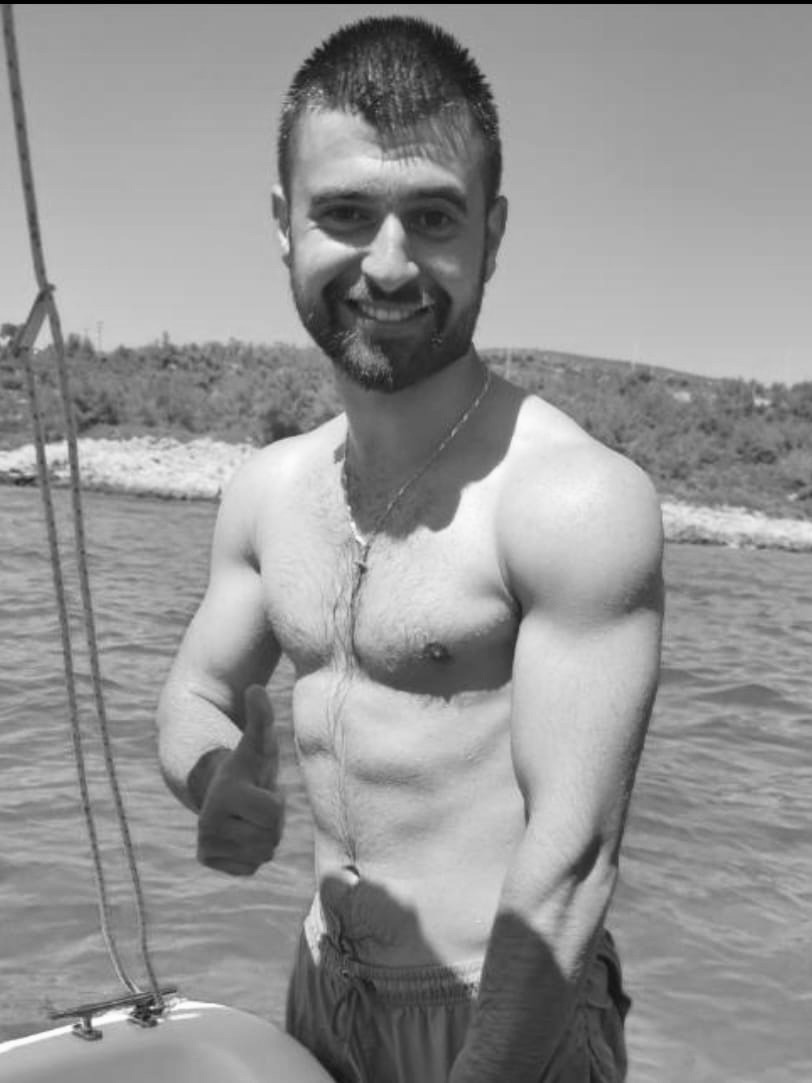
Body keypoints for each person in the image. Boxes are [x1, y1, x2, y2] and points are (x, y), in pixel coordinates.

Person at [157, 15, 664, 1083]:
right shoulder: (266, 491)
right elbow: (198, 690)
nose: (387, 267)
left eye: (431, 217)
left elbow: (573, 859)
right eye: (345, 213)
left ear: (492, 232)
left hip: (508, 1009)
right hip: (321, 988)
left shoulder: (573, 502)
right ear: (283, 223)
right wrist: (213, 780)